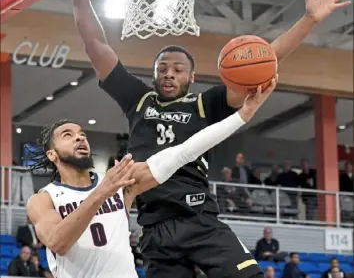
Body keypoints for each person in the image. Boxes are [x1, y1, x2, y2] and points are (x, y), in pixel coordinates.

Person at [68, 0, 351, 278]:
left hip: (199, 218)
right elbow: (95, 45)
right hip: (155, 227)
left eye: (178, 70)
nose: (168, 74)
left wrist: (308, 19)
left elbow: (264, 60)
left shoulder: (205, 104)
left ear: (191, 78)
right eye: (161, 69)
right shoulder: (138, 100)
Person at [26, 81, 277, 278]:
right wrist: (103, 192)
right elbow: (58, 242)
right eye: (68, 135)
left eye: (82, 133)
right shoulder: (43, 199)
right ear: (52, 154)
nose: (80, 138)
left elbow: (184, 151)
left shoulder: (123, 180)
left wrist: (242, 116)